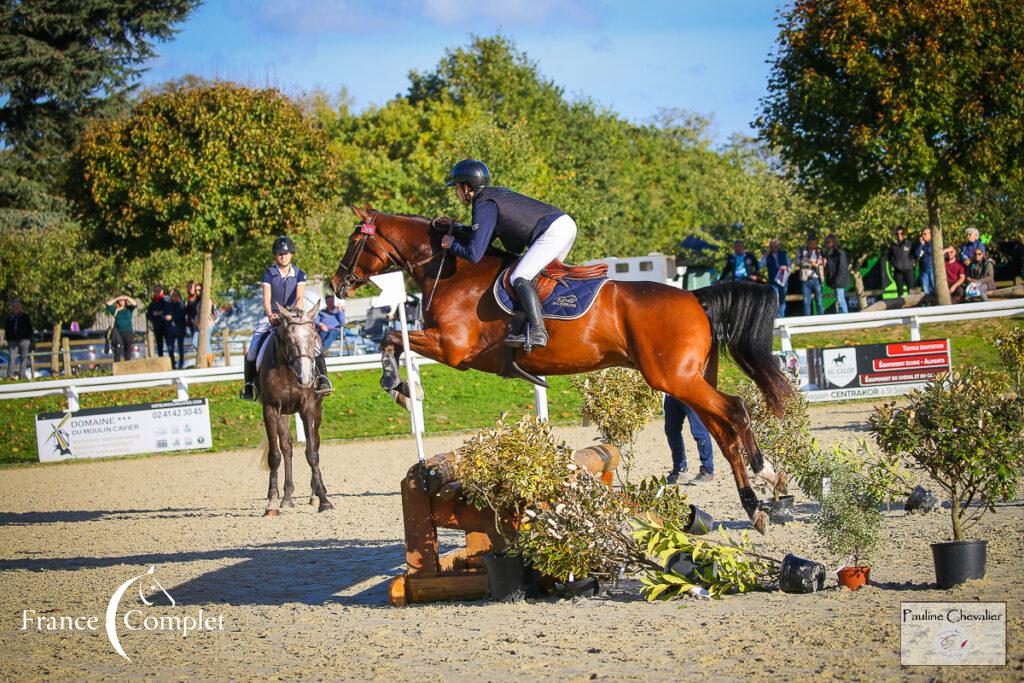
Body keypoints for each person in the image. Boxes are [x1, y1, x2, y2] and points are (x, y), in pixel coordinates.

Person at [437, 159, 577, 351]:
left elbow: (474, 254)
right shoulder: (493, 195)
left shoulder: (483, 203)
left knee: (519, 277)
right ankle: (541, 327)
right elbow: (484, 235)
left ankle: (538, 331)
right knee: (539, 278)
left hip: (553, 231)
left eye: (457, 187)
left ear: (467, 186)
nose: (456, 192)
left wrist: (451, 243)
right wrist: (459, 227)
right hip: (563, 224)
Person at [241, 236, 331, 400]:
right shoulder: (268, 274)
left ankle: (323, 378)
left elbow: (299, 299)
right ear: (275, 255)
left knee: (316, 344)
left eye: (286, 253)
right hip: (273, 315)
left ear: (292, 254)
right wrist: (270, 314)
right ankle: (249, 385)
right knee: (253, 349)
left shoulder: (300, 274)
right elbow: (266, 299)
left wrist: (294, 314)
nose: (282, 256)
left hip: (293, 316)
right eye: (279, 253)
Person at [663, 395, 714, 484]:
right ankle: (679, 469)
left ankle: (707, 471)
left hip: (691, 393)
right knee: (671, 431)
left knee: (699, 431)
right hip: (671, 394)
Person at [795, 233, 825, 316]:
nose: (812, 245)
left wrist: (821, 262)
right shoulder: (802, 251)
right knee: (806, 301)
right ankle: (807, 320)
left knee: (819, 301)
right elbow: (796, 262)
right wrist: (808, 263)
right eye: (811, 243)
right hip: (806, 279)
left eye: (814, 243)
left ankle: (822, 319)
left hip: (817, 279)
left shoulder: (819, 251)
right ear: (807, 242)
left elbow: (825, 261)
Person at [760, 238, 790, 318]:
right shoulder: (768, 256)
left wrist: (786, 267)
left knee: (782, 299)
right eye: (773, 246)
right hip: (773, 281)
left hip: (783, 280)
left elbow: (790, 266)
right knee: (775, 299)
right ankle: (776, 316)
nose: (775, 248)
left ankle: (781, 316)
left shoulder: (784, 254)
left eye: (776, 246)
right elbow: (760, 266)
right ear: (770, 247)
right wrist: (765, 256)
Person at [5, 299, 33, 379]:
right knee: (11, 357)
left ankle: (22, 375)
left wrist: (28, 337)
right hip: (13, 341)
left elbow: (29, 328)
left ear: (20, 307)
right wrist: (8, 339)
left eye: (17, 306)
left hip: (24, 340)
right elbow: (7, 329)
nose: (16, 307)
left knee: (23, 358)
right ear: (12, 307)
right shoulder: (10, 318)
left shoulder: (25, 316)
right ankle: (10, 375)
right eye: (14, 306)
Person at [186, 282, 217, 355]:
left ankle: (209, 359)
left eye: (199, 290)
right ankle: (204, 356)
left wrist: (197, 321)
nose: (197, 292)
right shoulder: (197, 300)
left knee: (206, 343)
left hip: (207, 324)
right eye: (196, 290)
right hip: (198, 324)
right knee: (195, 342)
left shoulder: (207, 300)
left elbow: (206, 313)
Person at [104, 294, 137, 363]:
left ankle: (127, 368)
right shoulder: (115, 310)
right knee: (118, 350)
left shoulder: (129, 309)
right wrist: (117, 298)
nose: (121, 302)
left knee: (128, 350)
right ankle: (117, 367)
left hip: (128, 332)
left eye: (123, 300)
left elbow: (135, 303)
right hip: (118, 332)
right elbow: (108, 304)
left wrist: (127, 297)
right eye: (120, 301)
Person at [823, 234, 851, 314]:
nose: (827, 244)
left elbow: (842, 268)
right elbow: (830, 266)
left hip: (839, 280)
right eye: (826, 242)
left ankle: (845, 318)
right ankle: (842, 316)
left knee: (840, 300)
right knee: (838, 300)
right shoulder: (829, 253)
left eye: (828, 242)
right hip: (835, 280)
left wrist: (837, 281)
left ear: (833, 242)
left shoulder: (839, 253)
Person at [887, 227, 916, 297]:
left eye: (901, 233)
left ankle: (914, 306)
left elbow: (915, 254)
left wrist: (912, 263)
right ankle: (901, 307)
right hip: (898, 271)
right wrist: (895, 264)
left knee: (911, 291)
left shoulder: (909, 243)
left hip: (909, 270)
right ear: (895, 235)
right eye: (897, 234)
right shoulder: (893, 246)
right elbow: (889, 257)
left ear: (904, 234)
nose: (899, 235)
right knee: (900, 292)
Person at [146, 285, 171, 358]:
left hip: (166, 325)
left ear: (162, 291)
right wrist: (154, 314)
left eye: (159, 291)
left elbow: (168, 311)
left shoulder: (166, 300)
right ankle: (161, 359)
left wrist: (161, 313)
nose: (157, 292)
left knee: (169, 343)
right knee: (159, 345)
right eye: (155, 291)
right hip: (157, 326)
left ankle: (171, 360)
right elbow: (149, 314)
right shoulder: (152, 303)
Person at [165, 289, 187, 369]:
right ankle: (172, 365)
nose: (174, 297)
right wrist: (164, 316)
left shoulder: (182, 304)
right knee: (170, 348)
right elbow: (164, 314)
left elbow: (182, 315)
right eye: (173, 295)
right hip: (170, 329)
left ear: (179, 296)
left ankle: (181, 364)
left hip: (180, 329)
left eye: (176, 295)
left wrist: (172, 317)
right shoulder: (168, 305)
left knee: (180, 347)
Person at [915, 227, 935, 296]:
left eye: (925, 234)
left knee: (934, 288)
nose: (923, 236)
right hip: (923, 270)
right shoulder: (921, 244)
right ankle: (928, 305)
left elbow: (931, 251)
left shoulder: (934, 243)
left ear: (930, 234)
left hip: (932, 269)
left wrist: (928, 242)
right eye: (922, 234)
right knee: (925, 290)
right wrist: (921, 244)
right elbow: (917, 254)